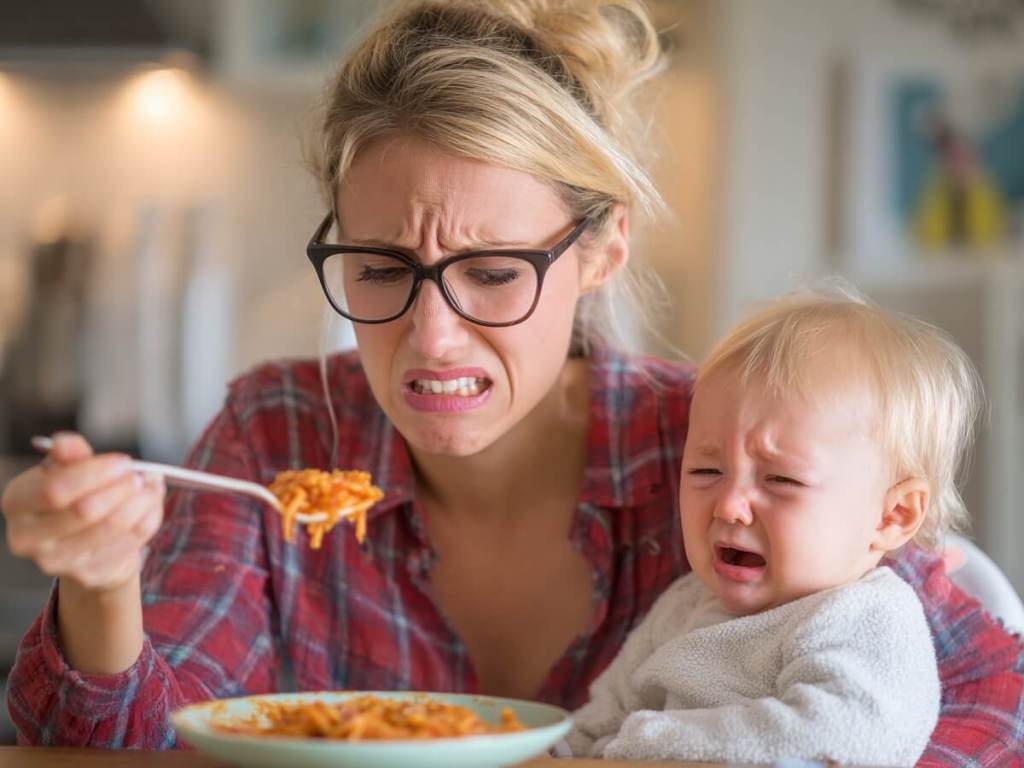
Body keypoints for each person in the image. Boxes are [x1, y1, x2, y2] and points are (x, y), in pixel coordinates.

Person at [1, 1, 1020, 761]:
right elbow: (108, 749)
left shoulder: (722, 456)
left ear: (601, 248)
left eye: (492, 273)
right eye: (380, 270)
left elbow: (989, 699)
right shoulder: (277, 435)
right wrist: (100, 578)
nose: (430, 337)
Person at [567, 291, 977, 765]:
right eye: (706, 471)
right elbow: (603, 717)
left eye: (780, 479)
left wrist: (648, 743)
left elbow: (846, 733)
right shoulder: (683, 605)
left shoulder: (864, 616)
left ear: (894, 515)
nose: (729, 506)